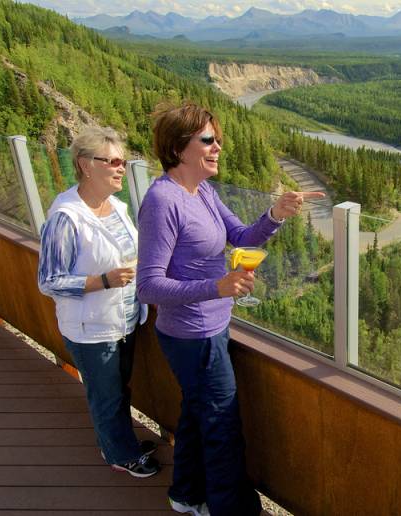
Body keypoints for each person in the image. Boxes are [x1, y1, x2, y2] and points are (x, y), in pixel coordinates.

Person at [137, 102, 324, 516]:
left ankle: (186, 494)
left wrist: (275, 213)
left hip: (210, 327)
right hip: (194, 336)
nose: (218, 146)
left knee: (196, 412)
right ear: (178, 146)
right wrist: (217, 286)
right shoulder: (163, 202)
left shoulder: (200, 189)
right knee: (222, 427)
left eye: (218, 139)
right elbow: (148, 286)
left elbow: (239, 236)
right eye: (208, 139)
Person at [38, 127, 160, 478]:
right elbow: (49, 281)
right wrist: (103, 281)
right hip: (91, 327)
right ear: (86, 165)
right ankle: (120, 454)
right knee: (106, 395)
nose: (122, 167)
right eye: (113, 161)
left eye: (123, 161)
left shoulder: (117, 207)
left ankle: (116, 441)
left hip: (123, 320)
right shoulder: (66, 218)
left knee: (117, 389)